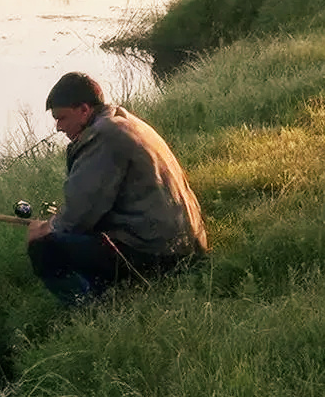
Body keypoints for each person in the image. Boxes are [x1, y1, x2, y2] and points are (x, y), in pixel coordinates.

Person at [26, 72, 208, 306]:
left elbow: (78, 217)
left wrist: (46, 228)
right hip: (188, 243)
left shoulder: (103, 138)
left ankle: (91, 309)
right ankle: (105, 291)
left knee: (44, 249)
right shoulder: (122, 121)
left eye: (62, 118)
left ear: (84, 109)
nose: (58, 127)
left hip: (162, 252)